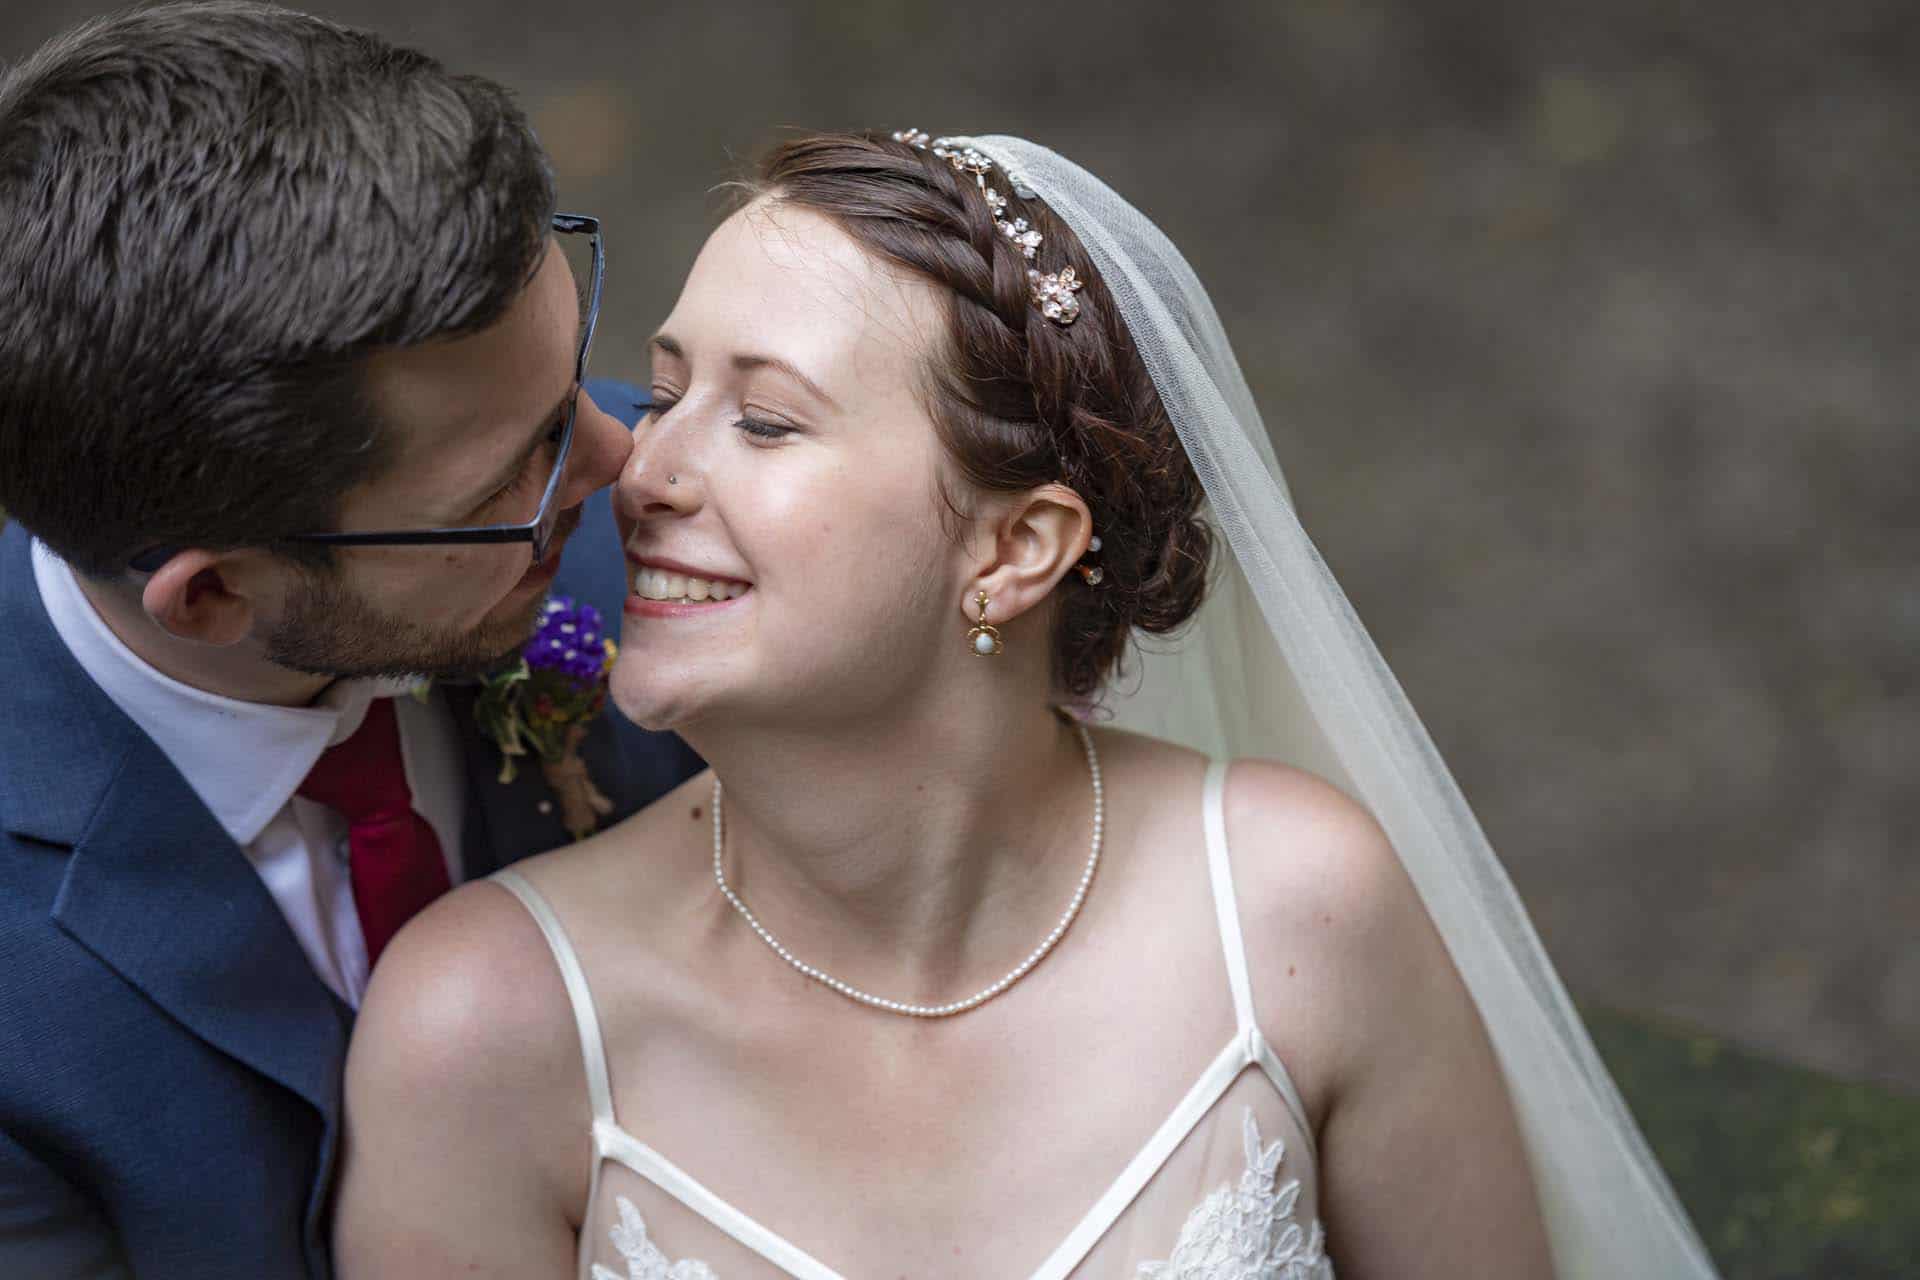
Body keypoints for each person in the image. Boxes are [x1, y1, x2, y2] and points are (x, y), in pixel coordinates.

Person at [337, 130, 1720, 1278]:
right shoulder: (485, 1031)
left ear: (1012, 552)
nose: (639, 470)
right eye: (674, 387)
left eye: (764, 420)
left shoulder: (1297, 915)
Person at [0, 5, 700, 1277]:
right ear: (212, 598)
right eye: (517, 471)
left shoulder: (651, 557)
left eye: (573, 376)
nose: (627, 457)